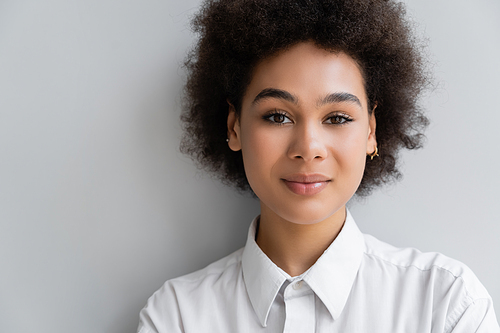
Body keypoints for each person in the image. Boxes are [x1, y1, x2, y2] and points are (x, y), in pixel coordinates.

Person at [137, 0, 500, 332]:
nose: (308, 148)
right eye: (277, 116)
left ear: (371, 130)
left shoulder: (447, 305)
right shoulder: (175, 316)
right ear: (234, 126)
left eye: (338, 118)